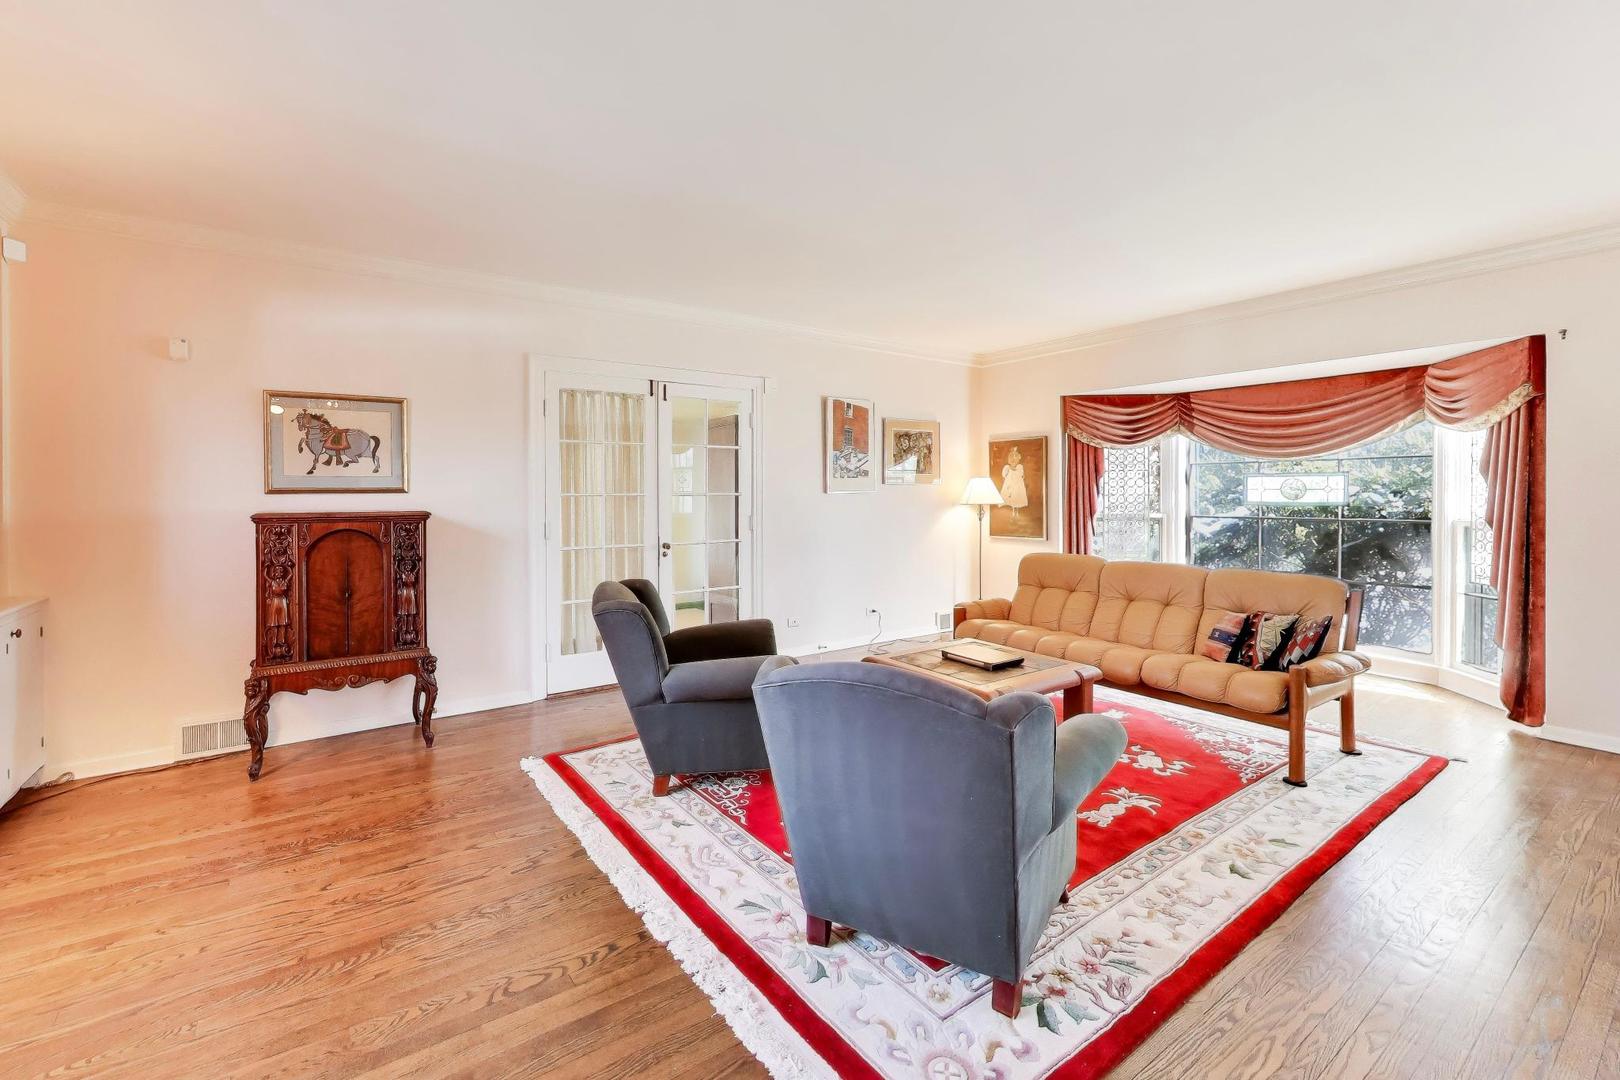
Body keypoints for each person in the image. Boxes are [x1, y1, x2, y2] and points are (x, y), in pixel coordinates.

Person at [1000, 445, 1029, 519]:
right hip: (1009, 485)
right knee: (1011, 498)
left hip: (1017, 485)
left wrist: (1014, 469)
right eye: (1011, 457)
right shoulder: (1007, 467)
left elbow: (1021, 474)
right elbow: (1003, 475)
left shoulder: (1020, 467)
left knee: (1017, 497)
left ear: (1019, 458)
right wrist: (1008, 469)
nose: (1013, 459)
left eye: (1015, 457)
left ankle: (1017, 512)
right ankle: (1012, 511)